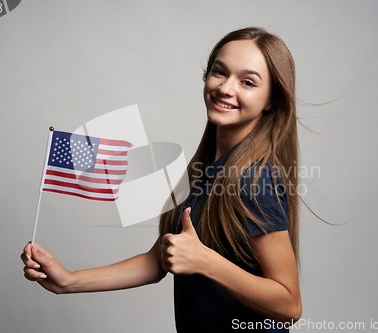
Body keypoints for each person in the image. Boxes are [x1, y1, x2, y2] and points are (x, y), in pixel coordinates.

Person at [22, 27, 302, 332]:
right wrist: (69, 280)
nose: (225, 88)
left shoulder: (254, 179)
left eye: (247, 82)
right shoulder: (205, 168)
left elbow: (289, 306)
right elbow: (159, 259)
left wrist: (206, 262)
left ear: (271, 101)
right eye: (219, 72)